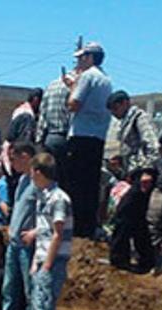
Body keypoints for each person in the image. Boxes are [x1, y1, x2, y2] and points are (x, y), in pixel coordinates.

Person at [23, 153, 73, 310]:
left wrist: (46, 265)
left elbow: (57, 234)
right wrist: (36, 261)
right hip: (42, 259)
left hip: (52, 261)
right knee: (37, 305)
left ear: (39, 172)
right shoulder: (44, 197)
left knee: (44, 306)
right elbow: (44, 232)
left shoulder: (58, 198)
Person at [64, 42, 113, 239]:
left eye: (82, 57)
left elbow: (73, 104)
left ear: (90, 58)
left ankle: (75, 229)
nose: (79, 61)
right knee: (91, 185)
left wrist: (72, 86)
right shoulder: (107, 80)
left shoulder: (87, 76)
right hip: (98, 136)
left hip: (81, 135)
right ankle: (88, 227)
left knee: (76, 184)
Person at [1, 142, 37, 310]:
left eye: (14, 158)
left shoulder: (39, 183)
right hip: (14, 244)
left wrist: (34, 232)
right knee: (9, 290)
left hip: (27, 246)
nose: (11, 163)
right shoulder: (23, 181)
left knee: (30, 292)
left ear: (25, 156)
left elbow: (49, 215)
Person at [109, 167, 158, 275]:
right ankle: (119, 262)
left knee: (142, 238)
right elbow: (124, 209)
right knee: (121, 237)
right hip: (126, 215)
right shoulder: (134, 193)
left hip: (139, 217)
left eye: (149, 182)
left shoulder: (147, 192)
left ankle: (146, 262)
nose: (147, 185)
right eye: (144, 182)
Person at [108, 91, 160, 175]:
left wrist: (147, 171)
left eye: (115, 108)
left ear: (125, 103)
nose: (113, 113)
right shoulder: (125, 123)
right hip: (132, 172)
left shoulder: (139, 117)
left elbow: (153, 145)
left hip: (141, 172)